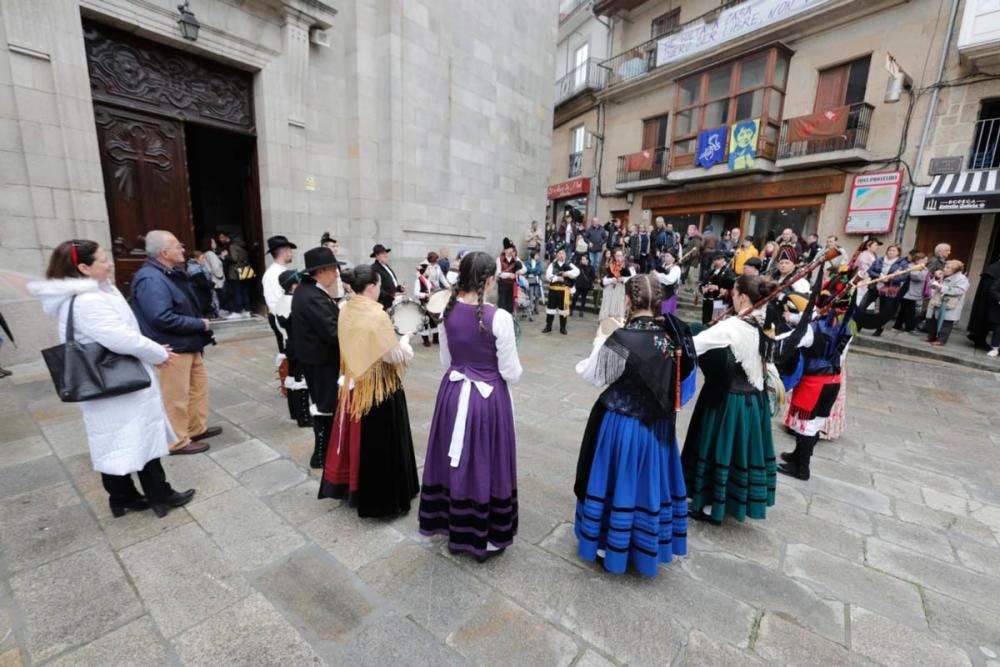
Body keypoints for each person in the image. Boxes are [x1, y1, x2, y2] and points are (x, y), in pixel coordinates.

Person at [29, 240, 195, 518]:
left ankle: (123, 497)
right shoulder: (87, 300)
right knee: (139, 437)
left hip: (107, 383)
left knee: (114, 441)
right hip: (117, 382)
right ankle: (159, 495)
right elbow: (120, 337)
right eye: (102, 260)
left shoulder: (92, 293)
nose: (110, 263)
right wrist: (157, 352)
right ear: (83, 268)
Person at [573, 274, 695, 576]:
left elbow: (594, 376)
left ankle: (607, 545)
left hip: (621, 425)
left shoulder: (621, 338)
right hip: (657, 429)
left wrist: (601, 338)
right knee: (644, 485)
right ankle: (641, 545)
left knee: (617, 482)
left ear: (628, 300)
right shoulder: (672, 337)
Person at [417, 251, 522, 560]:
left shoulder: (447, 312)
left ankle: (454, 524)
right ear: (489, 280)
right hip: (487, 400)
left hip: (452, 394)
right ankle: (487, 538)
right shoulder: (499, 318)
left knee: (456, 462)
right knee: (486, 462)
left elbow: (446, 361)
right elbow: (511, 373)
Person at [320, 264, 419, 518]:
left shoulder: (345, 308)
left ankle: (354, 487)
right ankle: (382, 502)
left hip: (355, 381)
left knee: (360, 441)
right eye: (379, 286)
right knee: (380, 445)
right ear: (373, 286)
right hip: (378, 389)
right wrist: (406, 340)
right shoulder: (377, 314)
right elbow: (392, 355)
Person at [683, 274, 779, 525]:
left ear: (743, 297)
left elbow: (692, 345)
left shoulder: (731, 328)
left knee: (721, 449)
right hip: (753, 400)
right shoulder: (764, 322)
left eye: (733, 294)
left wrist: (698, 330)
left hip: (730, 401)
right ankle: (723, 501)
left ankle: (709, 506)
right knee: (738, 452)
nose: (731, 298)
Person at [131, 231, 220, 456]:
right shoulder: (151, 278)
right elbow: (161, 317)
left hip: (188, 344)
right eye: (178, 246)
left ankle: (194, 429)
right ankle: (177, 440)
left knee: (196, 390)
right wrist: (199, 324)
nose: (183, 249)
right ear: (164, 252)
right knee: (175, 397)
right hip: (172, 348)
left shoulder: (169, 273)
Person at [779, 303, 856, 480]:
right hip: (833, 380)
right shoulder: (847, 326)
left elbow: (789, 341)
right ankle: (798, 455)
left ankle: (802, 469)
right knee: (815, 423)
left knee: (807, 426)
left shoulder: (813, 329)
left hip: (814, 382)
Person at [290, 247, 344, 467]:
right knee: (326, 406)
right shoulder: (311, 295)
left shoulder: (310, 291)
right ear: (321, 271)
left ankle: (325, 452)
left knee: (326, 405)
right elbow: (332, 331)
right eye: (334, 269)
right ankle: (321, 456)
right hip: (321, 361)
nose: (337, 274)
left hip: (318, 359)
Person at [273, 270, 311, 428]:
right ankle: (304, 417)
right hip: (298, 345)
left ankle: (295, 412)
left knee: (292, 377)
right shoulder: (294, 303)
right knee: (301, 380)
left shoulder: (281, 301)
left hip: (289, 344)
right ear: (294, 285)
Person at [860, 244, 910, 336]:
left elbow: (905, 276)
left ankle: (879, 329)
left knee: (884, 310)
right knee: (863, 305)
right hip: (875, 286)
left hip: (889, 289)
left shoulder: (902, 263)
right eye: (890, 250)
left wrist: (890, 279)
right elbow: (870, 271)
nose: (891, 252)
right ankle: (858, 324)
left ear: (898, 252)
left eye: (894, 250)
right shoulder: (879, 260)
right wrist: (879, 276)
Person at [262, 235, 298, 353]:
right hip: (282, 318)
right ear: (285, 252)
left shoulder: (283, 270)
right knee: (287, 353)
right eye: (290, 250)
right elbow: (274, 305)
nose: (291, 253)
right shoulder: (271, 275)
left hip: (290, 317)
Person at [925, 260, 970, 347]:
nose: (944, 269)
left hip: (949, 303)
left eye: (948, 267)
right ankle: (931, 336)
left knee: (946, 322)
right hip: (937, 301)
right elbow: (930, 285)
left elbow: (960, 290)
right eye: (945, 267)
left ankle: (941, 340)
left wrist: (942, 287)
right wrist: (936, 278)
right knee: (932, 319)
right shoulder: (943, 275)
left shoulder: (962, 279)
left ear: (955, 270)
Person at [544, 248, 580, 334]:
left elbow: (577, 272)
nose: (561, 255)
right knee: (550, 309)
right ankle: (548, 326)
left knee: (563, 310)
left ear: (565, 255)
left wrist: (567, 273)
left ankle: (563, 328)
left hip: (564, 291)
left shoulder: (569, 264)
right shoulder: (552, 265)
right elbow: (548, 275)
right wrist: (557, 278)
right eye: (559, 253)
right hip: (553, 290)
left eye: (563, 253)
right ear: (557, 255)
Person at [966, 257, 1000, 350]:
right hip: (986, 301)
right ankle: (979, 339)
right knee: (983, 319)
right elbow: (989, 289)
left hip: (990, 300)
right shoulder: (994, 269)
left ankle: (979, 338)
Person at [218, 232, 252, 318]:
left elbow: (234, 259)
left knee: (237, 292)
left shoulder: (232, 246)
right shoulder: (242, 245)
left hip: (235, 272)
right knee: (244, 291)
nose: (226, 240)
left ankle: (238, 311)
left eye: (227, 238)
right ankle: (247, 310)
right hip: (244, 270)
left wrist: (224, 256)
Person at [894, 251, 928, 333]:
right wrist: (922, 269)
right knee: (909, 311)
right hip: (908, 292)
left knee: (905, 310)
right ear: (918, 260)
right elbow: (917, 277)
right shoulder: (911, 266)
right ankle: (908, 328)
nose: (926, 262)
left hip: (913, 292)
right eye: (924, 260)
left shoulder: (921, 267)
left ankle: (898, 326)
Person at [599, 248, 634, 322]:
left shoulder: (628, 266)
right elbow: (604, 280)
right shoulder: (610, 265)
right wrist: (611, 280)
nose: (618, 258)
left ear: (623, 256)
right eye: (617, 256)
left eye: (620, 256)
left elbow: (633, 277)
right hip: (610, 292)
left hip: (622, 292)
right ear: (614, 256)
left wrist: (623, 279)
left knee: (619, 309)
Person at [699, 252, 735, 324]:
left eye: (717, 259)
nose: (715, 262)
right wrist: (703, 288)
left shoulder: (728, 272)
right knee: (706, 322)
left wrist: (717, 288)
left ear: (723, 260)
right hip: (707, 301)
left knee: (716, 322)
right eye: (714, 260)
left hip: (719, 301)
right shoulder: (711, 272)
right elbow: (703, 283)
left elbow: (729, 287)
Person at [414, 260, 442, 347]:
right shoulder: (418, 280)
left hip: (430, 303)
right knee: (425, 322)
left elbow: (430, 290)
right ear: (424, 271)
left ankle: (436, 339)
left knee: (434, 321)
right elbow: (416, 293)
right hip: (423, 304)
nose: (430, 271)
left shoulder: (427, 280)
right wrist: (426, 294)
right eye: (429, 269)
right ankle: (425, 340)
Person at [370, 244, 404, 310]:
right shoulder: (374, 268)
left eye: (386, 253)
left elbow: (389, 284)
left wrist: (399, 288)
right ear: (377, 256)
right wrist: (391, 296)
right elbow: (377, 288)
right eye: (383, 253)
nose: (386, 255)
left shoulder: (386, 266)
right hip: (384, 304)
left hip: (393, 301)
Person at [496, 239, 525, 313]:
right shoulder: (499, 259)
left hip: (512, 285)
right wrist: (509, 275)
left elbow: (524, 269)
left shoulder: (516, 259)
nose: (511, 250)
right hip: (503, 284)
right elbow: (498, 273)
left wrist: (517, 272)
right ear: (505, 250)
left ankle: (509, 320)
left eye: (511, 248)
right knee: (502, 305)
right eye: (509, 248)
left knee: (510, 306)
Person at [185, 252, 216, 318]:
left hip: (203, 293)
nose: (204, 259)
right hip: (199, 293)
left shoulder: (199, 266)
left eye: (204, 258)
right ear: (196, 259)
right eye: (202, 258)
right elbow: (201, 281)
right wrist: (211, 284)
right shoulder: (194, 268)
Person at [201, 237, 226, 315]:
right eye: (213, 242)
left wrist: (221, 256)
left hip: (211, 278)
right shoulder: (210, 253)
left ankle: (216, 312)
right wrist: (220, 276)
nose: (215, 244)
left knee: (214, 297)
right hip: (216, 280)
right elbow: (215, 266)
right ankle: (219, 313)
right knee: (218, 297)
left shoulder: (206, 253)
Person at [654, 249, 681, 316]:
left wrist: (657, 275)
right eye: (665, 256)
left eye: (668, 256)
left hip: (668, 296)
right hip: (659, 295)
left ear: (673, 259)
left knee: (666, 316)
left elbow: (670, 280)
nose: (665, 258)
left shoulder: (676, 269)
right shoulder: (663, 266)